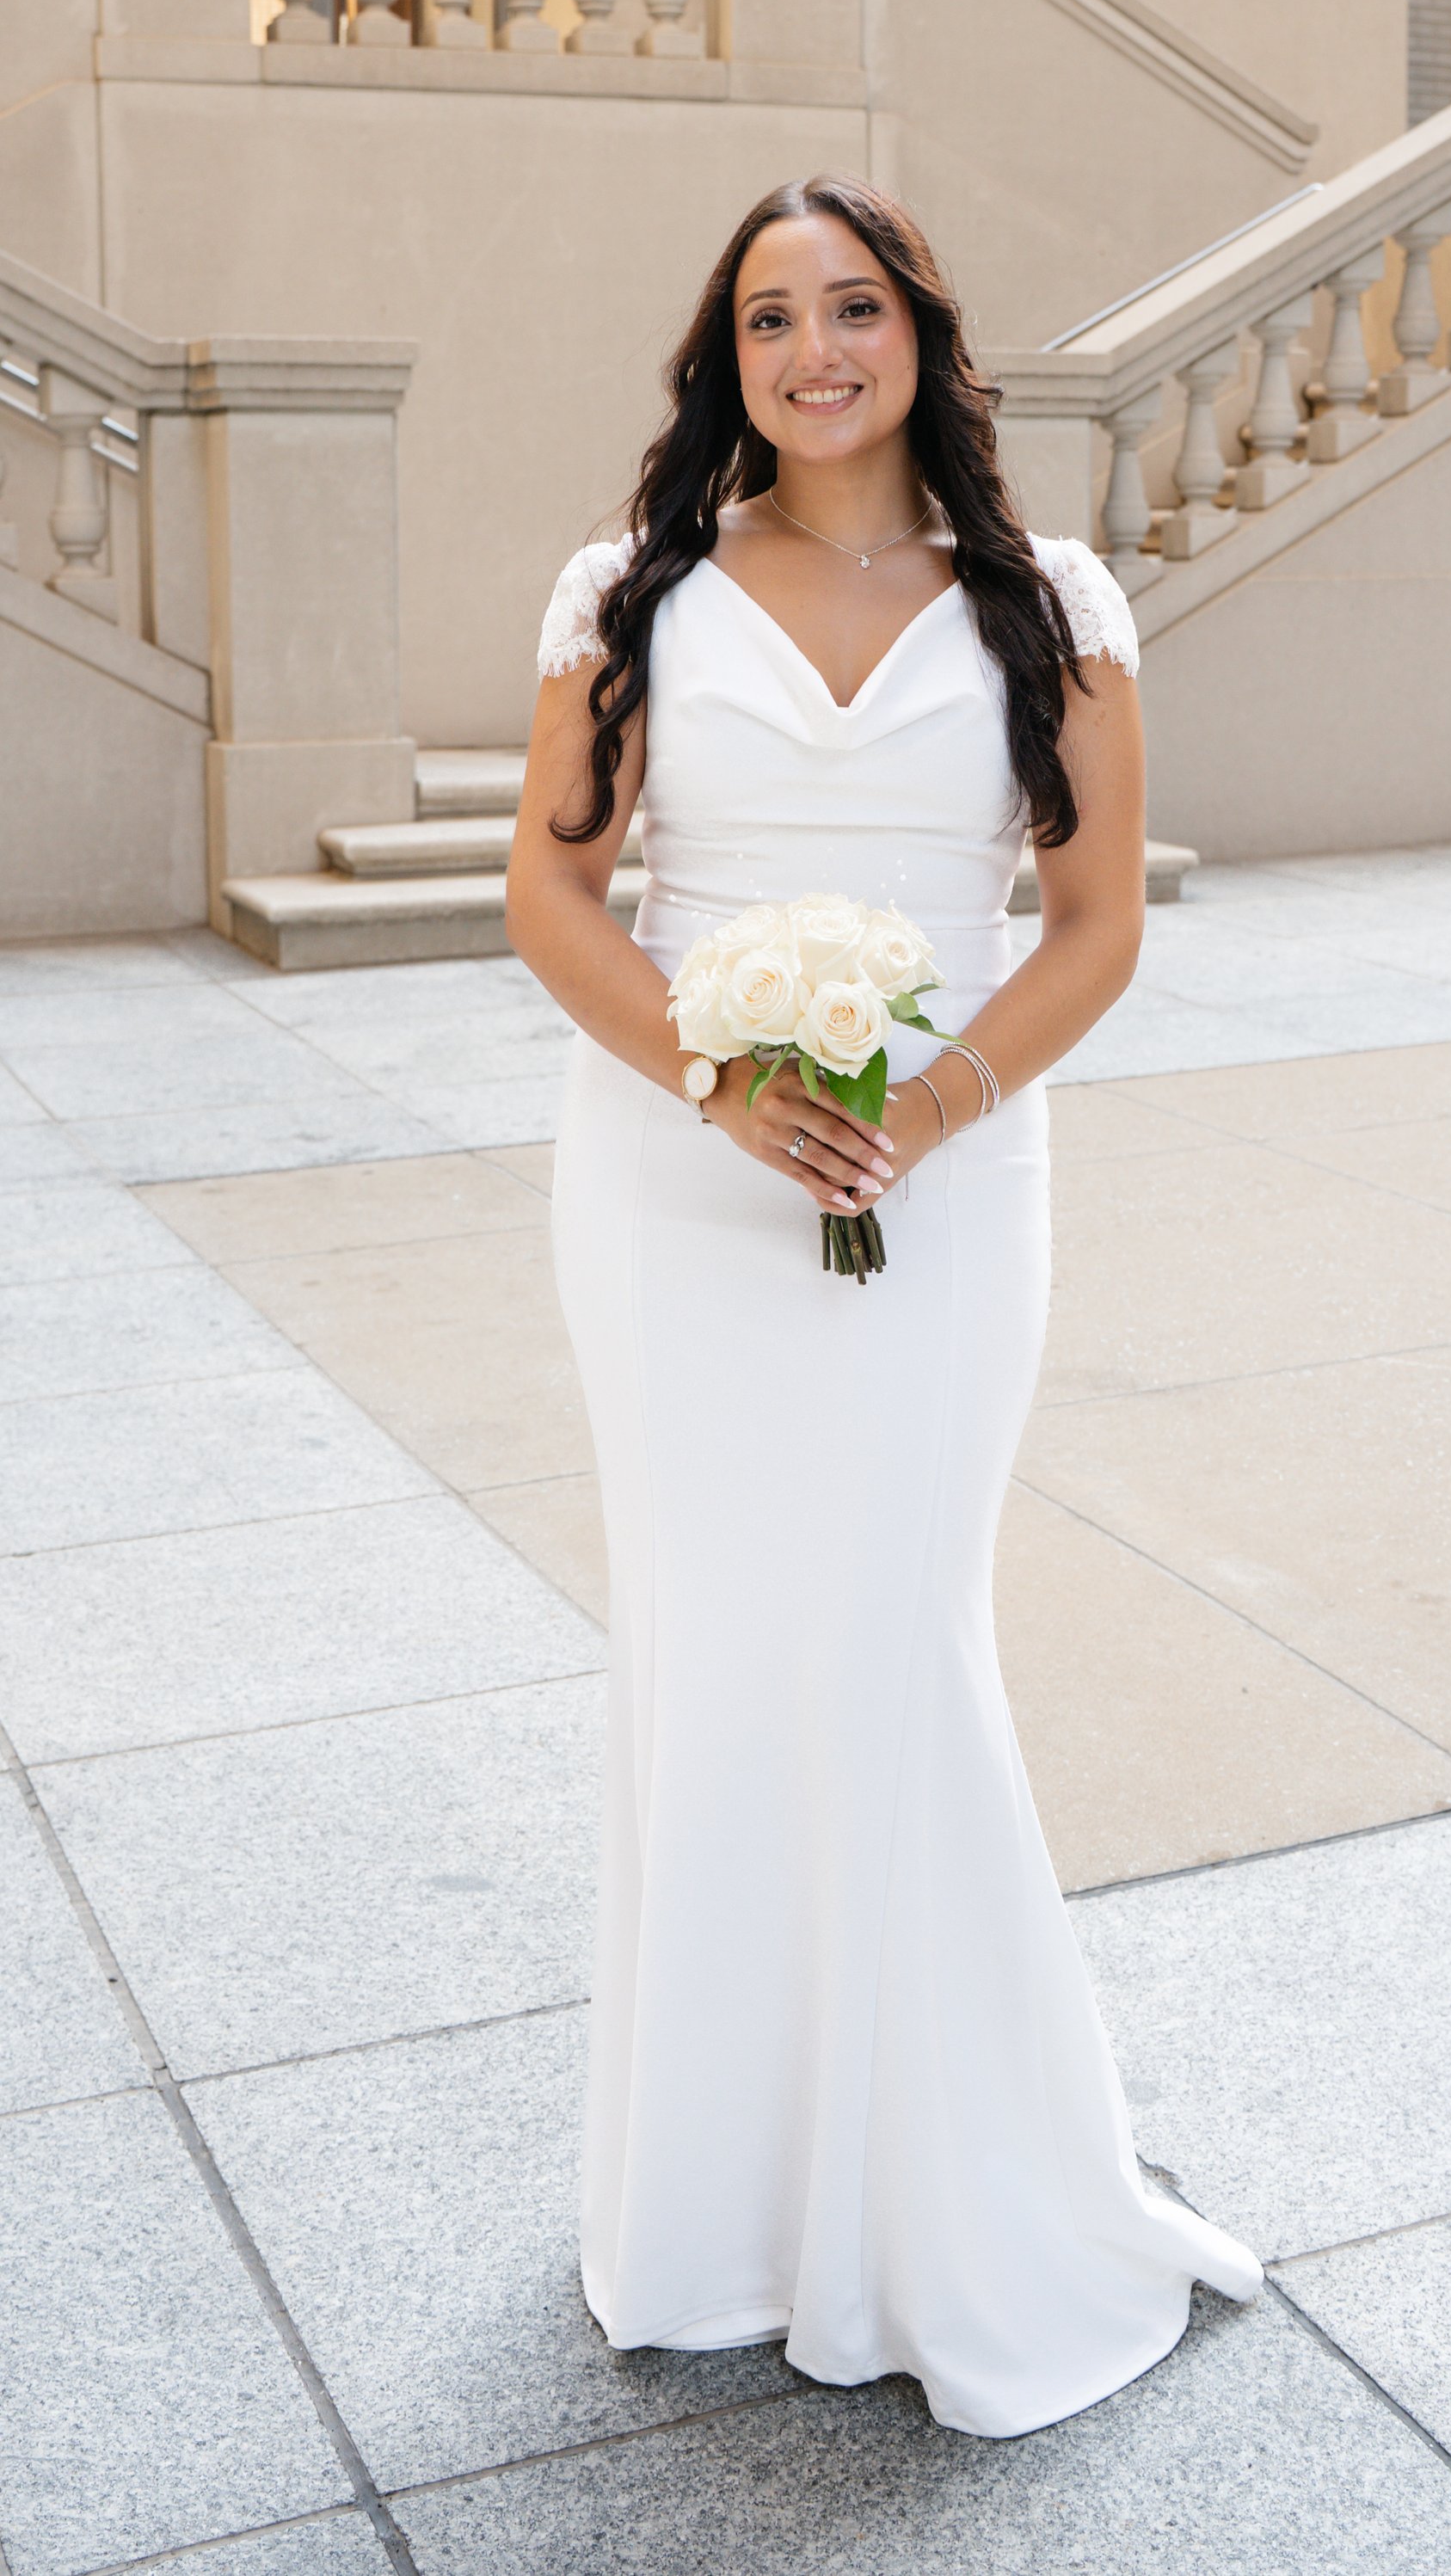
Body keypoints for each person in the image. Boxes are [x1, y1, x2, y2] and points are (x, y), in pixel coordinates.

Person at [505, 174, 1260, 2439]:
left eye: (848, 308)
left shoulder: (1047, 605)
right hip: (672, 1189)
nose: (811, 350)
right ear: (722, 362)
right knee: (721, 1657)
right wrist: (714, 1077)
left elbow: (1097, 917)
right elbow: (549, 882)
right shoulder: (631, 593)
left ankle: (957, 2202)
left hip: (949, 1176)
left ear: (917, 334)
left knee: (888, 1638)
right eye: (765, 318)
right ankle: (717, 2215)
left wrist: (922, 1107)